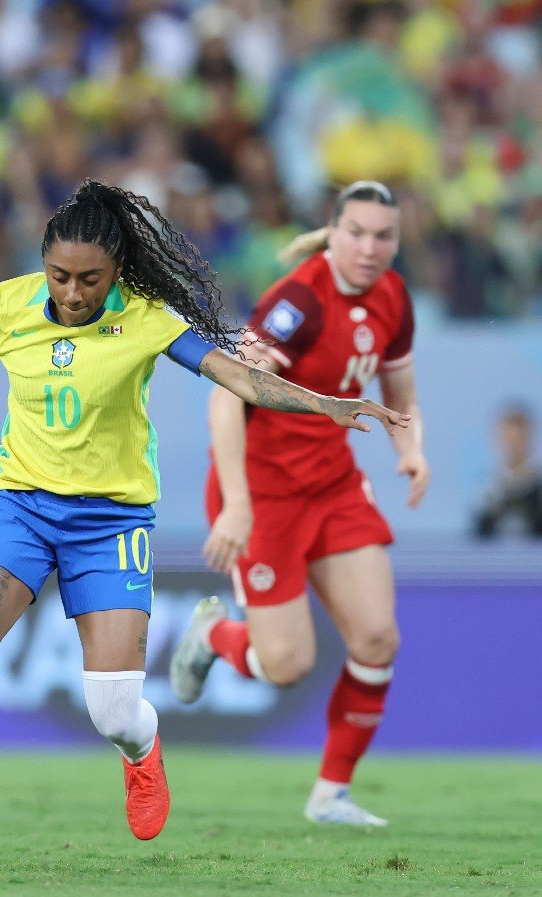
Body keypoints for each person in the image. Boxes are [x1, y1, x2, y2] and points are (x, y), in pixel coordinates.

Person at [0, 179, 409, 865]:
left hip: (111, 524)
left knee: (113, 711)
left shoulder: (147, 317)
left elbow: (241, 379)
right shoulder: (8, 306)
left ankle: (143, 750)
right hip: (20, 507)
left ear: (117, 272)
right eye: (61, 276)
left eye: (90, 280)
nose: (73, 293)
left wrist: (325, 404)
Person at [168, 180, 430, 827]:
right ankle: (213, 635)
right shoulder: (298, 302)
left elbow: (401, 396)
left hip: (334, 485)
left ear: (397, 241)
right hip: (263, 494)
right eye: (357, 233)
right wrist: (235, 506)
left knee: (376, 638)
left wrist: (411, 450)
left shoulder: (394, 297)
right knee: (286, 664)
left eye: (383, 236)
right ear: (334, 233)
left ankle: (330, 795)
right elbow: (226, 396)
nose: (370, 248)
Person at [472, 401, 542, 539]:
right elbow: (478, 536)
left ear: (530, 437)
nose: (513, 444)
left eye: (519, 437)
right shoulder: (487, 492)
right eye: (508, 436)